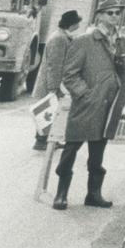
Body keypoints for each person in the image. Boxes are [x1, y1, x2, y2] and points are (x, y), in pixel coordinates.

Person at [54, 1, 125, 210]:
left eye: (117, 13)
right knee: (71, 149)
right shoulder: (84, 41)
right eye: (110, 13)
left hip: (109, 106)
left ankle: (93, 194)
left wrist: (123, 64)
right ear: (99, 16)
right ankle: (61, 194)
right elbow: (70, 75)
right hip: (87, 105)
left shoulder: (121, 41)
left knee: (98, 153)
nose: (115, 16)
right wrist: (85, 95)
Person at [32, 9, 81, 150]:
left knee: (53, 112)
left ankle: (50, 140)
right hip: (52, 83)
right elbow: (55, 65)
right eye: (77, 23)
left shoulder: (61, 36)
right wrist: (53, 87)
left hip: (54, 83)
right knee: (47, 111)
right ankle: (41, 141)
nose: (78, 26)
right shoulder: (59, 38)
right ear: (71, 24)